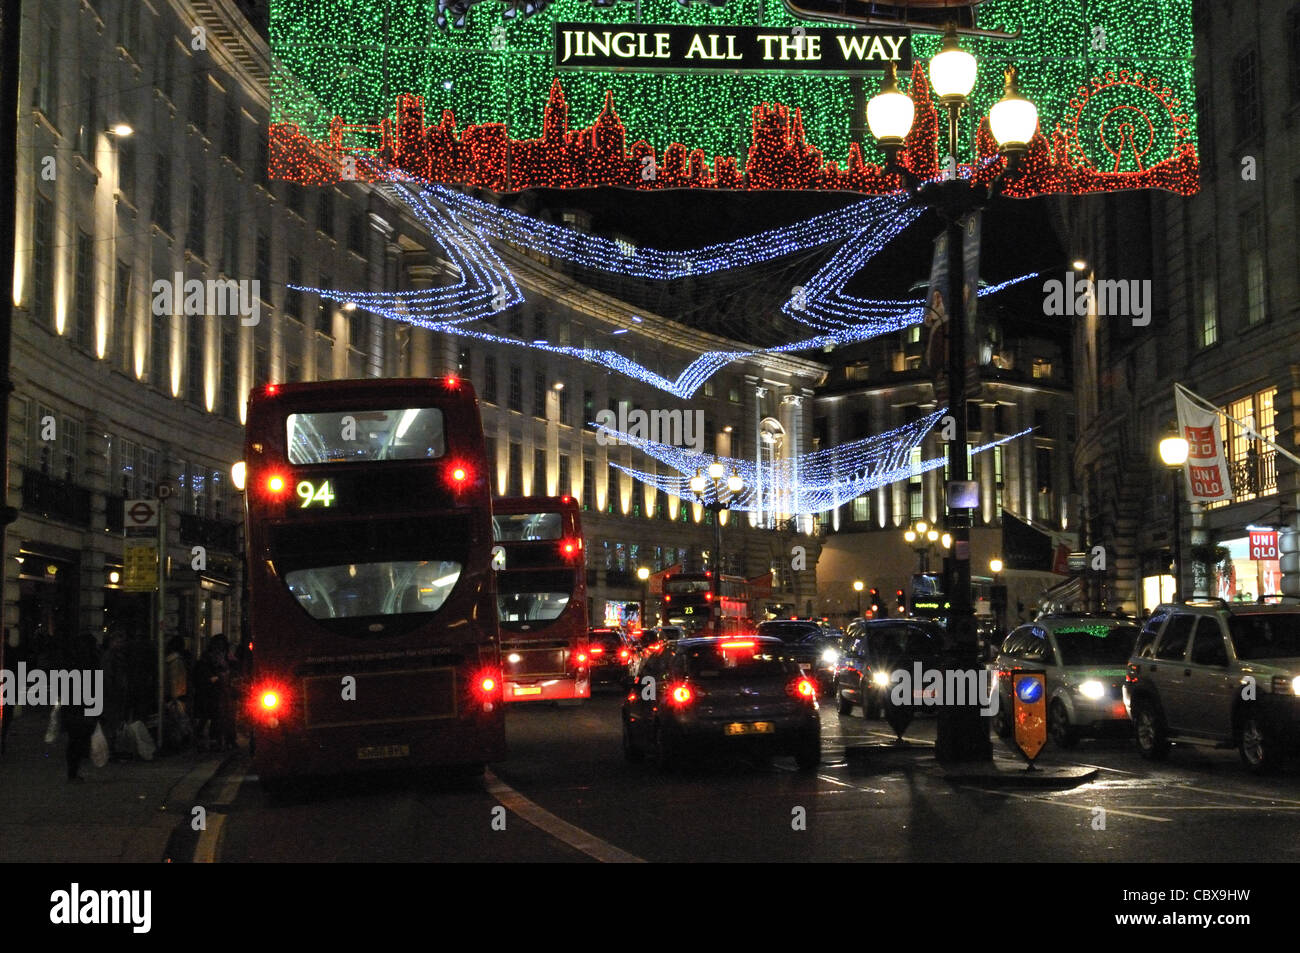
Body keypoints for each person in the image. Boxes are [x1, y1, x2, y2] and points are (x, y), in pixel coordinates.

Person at [62, 634, 101, 782]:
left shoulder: (70, 660)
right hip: (84, 705)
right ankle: (74, 770)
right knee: (80, 738)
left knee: (73, 740)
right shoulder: (92, 660)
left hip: (72, 706)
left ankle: (72, 771)